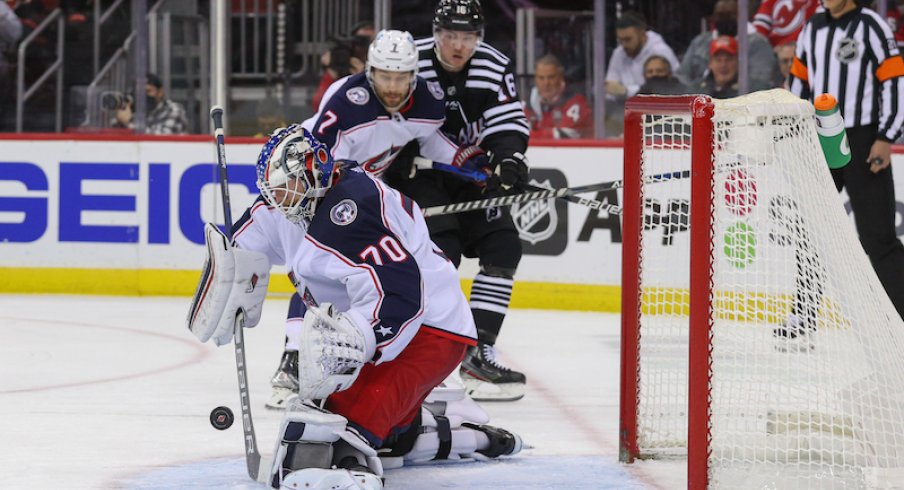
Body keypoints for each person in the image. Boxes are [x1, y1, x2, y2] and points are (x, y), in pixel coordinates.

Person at [187, 127, 522, 489]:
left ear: (315, 169)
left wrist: (358, 341)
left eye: (288, 188)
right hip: (396, 323)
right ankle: (463, 437)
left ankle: (378, 454)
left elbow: (402, 295)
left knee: (333, 430)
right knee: (389, 440)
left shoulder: (351, 209)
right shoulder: (284, 203)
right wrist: (231, 281)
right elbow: (243, 250)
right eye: (274, 191)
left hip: (431, 328)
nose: (280, 200)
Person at [264, 29, 472, 409]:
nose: (392, 86)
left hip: (363, 190)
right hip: (311, 186)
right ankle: (292, 361)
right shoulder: (346, 100)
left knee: (363, 278)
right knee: (312, 271)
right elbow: (322, 161)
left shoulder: (427, 100)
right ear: (369, 72)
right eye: (384, 76)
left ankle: (355, 354)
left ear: (413, 76)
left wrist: (469, 164)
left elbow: (431, 141)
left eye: (400, 77)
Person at [384, 0, 531, 402]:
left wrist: (508, 160)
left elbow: (507, 122)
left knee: (503, 246)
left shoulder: (494, 64)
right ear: (436, 33)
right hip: (420, 174)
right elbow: (393, 115)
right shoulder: (411, 60)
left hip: (472, 174)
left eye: (468, 37)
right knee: (441, 252)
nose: (458, 46)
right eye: (450, 36)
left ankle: (477, 352)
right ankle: (424, 353)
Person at [789, 0, 904, 320]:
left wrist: (886, 136)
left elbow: (895, 81)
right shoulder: (812, 27)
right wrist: (794, 131)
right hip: (819, 136)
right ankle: (805, 312)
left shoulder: (871, 25)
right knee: (809, 226)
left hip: (864, 139)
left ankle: (901, 312)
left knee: (877, 235)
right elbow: (798, 82)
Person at [676, 0, 782, 92]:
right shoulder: (700, 41)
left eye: (730, 14)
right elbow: (682, 77)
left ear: (741, 17)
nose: (725, 19)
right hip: (702, 99)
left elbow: (761, 83)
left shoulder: (758, 44)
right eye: (720, 15)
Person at [604, 12, 680, 133]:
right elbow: (609, 88)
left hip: (660, 116)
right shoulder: (619, 53)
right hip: (626, 112)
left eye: (628, 39)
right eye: (620, 40)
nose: (623, 45)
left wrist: (625, 91)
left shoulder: (660, 52)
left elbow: (667, 91)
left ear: (643, 35)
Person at [524, 54, 592, 139]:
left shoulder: (576, 101)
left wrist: (532, 135)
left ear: (561, 77)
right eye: (541, 78)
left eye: (551, 77)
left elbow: (564, 136)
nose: (546, 83)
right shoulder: (529, 102)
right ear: (535, 79)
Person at [113, 73, 189, 134]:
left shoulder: (173, 109)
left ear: (160, 92)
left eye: (148, 91)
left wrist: (129, 121)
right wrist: (120, 119)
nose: (143, 96)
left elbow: (161, 138)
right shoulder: (135, 110)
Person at [752, 0, 820, 47]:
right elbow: (758, 30)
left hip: (802, 49)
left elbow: (819, 24)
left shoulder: (817, 2)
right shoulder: (770, 2)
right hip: (773, 53)